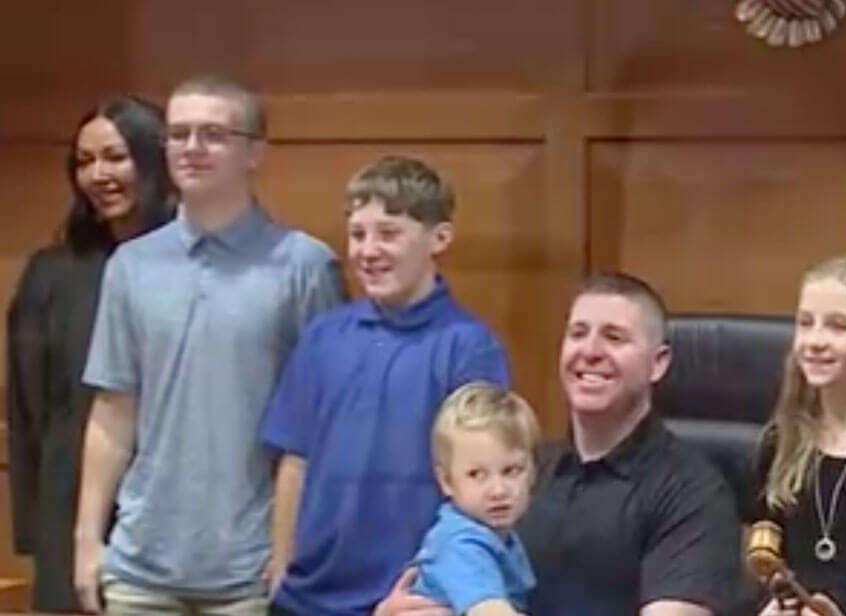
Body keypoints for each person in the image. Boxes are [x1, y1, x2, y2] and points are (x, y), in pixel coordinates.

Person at [74, 75, 344, 615]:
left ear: (255, 153)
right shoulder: (131, 266)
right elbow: (113, 411)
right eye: (179, 134)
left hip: (251, 572)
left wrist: (291, 549)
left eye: (213, 134)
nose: (192, 148)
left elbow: (324, 426)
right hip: (138, 570)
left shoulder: (305, 267)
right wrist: (86, 541)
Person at [376, 272, 742, 616]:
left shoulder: (693, 495)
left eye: (614, 338)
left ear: (658, 363)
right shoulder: (520, 471)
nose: (590, 351)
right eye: (578, 333)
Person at [262, 155, 510, 616]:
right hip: (305, 597)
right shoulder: (323, 336)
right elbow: (295, 460)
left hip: (409, 598)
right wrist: (280, 569)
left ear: (439, 238)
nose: (368, 250)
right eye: (358, 234)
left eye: (389, 234)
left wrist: (441, 592)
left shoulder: (468, 347)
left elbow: (481, 484)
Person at [7, 95, 173, 612]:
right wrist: (35, 526)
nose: (99, 175)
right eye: (84, 161)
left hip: (168, 508)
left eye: (116, 157)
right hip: (68, 500)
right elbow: (28, 409)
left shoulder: (190, 264)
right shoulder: (52, 273)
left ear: (154, 160)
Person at [748, 256, 846, 616]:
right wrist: (775, 601)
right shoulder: (782, 441)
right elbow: (764, 554)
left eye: (838, 326)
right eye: (806, 323)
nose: (815, 341)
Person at [410, 382, 541, 616]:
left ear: (533, 471)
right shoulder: (458, 544)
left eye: (511, 471)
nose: (498, 490)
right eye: (477, 475)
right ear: (446, 481)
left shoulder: (500, 536)